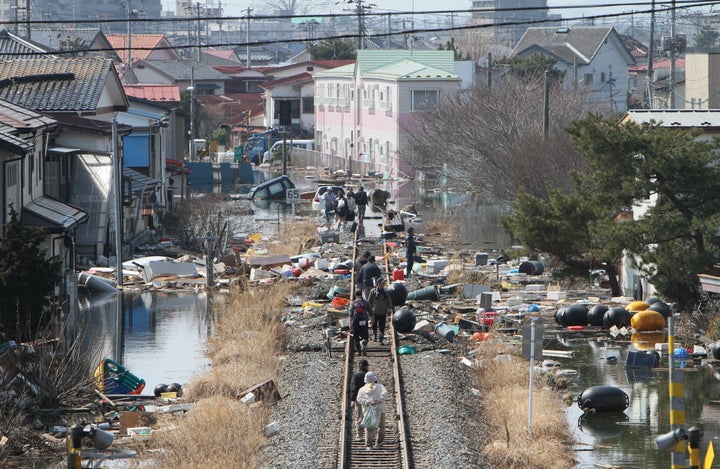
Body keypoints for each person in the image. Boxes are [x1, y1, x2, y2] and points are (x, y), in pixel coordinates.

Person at [356, 371, 388, 450]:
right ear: (374, 379)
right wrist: (378, 400)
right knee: (381, 426)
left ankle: (369, 445)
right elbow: (385, 393)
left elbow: (359, 399)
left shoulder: (362, 389)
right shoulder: (380, 387)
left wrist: (367, 402)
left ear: (365, 380)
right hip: (380, 409)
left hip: (368, 411)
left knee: (369, 427)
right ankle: (379, 442)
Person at [368, 276, 394, 346]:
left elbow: (389, 302)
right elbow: (369, 302)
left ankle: (381, 340)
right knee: (374, 325)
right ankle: (374, 335)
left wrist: (389, 309)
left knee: (382, 327)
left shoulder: (386, 292)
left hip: (383, 312)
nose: (383, 284)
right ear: (378, 284)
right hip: (375, 312)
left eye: (384, 283)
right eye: (382, 283)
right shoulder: (373, 292)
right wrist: (369, 311)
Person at [349, 359, 370, 440]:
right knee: (367, 416)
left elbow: (353, 388)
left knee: (359, 416)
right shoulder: (369, 375)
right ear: (366, 366)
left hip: (359, 398)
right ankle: (368, 436)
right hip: (368, 399)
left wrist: (353, 399)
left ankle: (359, 435)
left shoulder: (356, 375)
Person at [349, 291, 371, 356]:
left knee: (356, 337)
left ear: (355, 295)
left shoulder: (353, 303)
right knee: (365, 336)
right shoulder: (365, 302)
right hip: (364, 321)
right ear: (362, 294)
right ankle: (363, 344)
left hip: (356, 321)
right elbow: (370, 311)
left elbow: (350, 314)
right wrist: (371, 320)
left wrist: (350, 323)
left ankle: (359, 351)